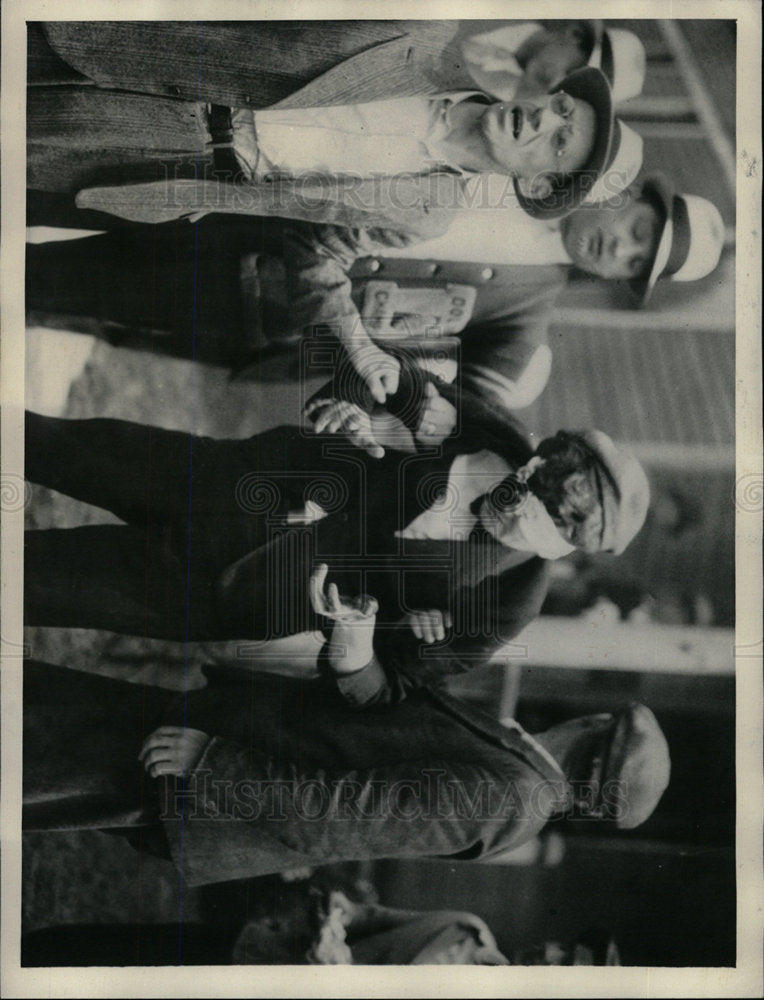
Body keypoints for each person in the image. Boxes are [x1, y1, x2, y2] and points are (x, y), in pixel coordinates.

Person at [23, 572, 672, 886]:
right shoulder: (517, 770)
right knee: (47, 710)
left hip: (204, 779)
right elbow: (376, 728)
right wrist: (354, 652)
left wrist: (214, 765)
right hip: (217, 744)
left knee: (34, 760)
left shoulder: (513, 796)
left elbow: (342, 814)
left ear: (593, 727)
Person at [24, 407, 649, 701]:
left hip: (223, 587)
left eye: (533, 527)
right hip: (222, 476)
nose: (510, 514)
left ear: (566, 547)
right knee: (43, 442)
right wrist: (356, 408)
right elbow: (399, 381)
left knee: (32, 581)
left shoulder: (507, 603)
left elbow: (387, 688)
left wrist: (357, 646)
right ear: (539, 460)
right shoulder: (497, 435)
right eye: (520, 492)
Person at [458, 20, 646, 106]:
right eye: (571, 71)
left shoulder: (505, 97)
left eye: (569, 86)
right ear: (575, 34)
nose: (556, 82)